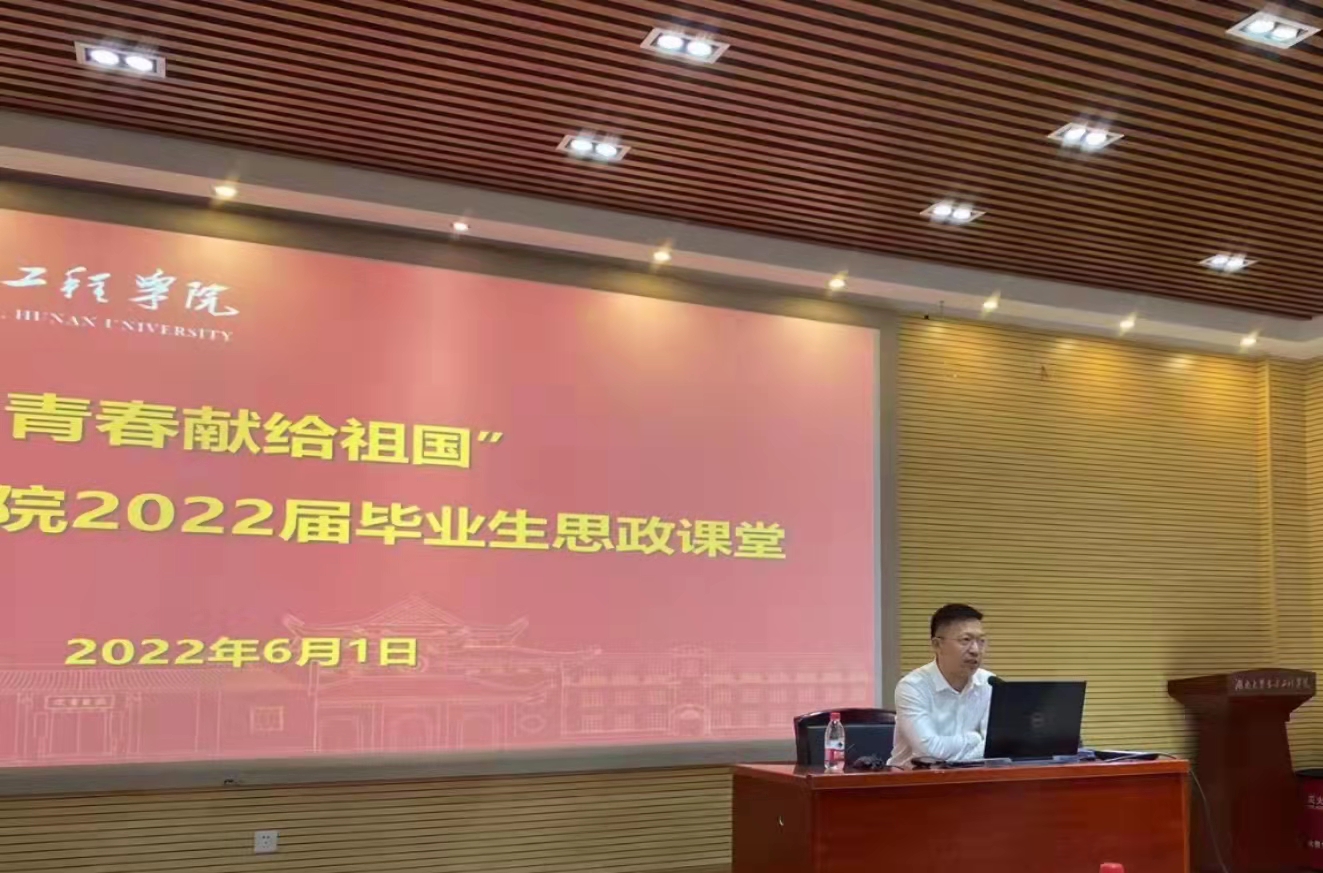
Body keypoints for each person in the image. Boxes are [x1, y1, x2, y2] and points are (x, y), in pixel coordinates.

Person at [888, 603, 994, 767]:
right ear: (937, 645)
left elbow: (996, 749)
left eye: (981, 641)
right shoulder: (912, 687)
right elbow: (929, 753)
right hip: (913, 778)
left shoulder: (990, 683)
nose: (975, 650)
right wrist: (975, 738)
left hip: (973, 777)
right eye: (965, 640)